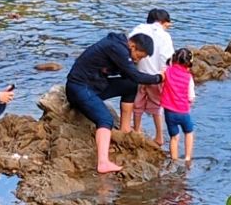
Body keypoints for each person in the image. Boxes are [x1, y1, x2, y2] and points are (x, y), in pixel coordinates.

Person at [65, 31, 163, 174]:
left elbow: (129, 76)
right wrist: (159, 78)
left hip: (95, 85)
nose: (137, 60)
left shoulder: (122, 49)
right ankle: (103, 162)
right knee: (105, 119)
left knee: (130, 85)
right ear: (132, 46)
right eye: (139, 56)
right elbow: (135, 75)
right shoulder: (116, 47)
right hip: (79, 88)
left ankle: (125, 128)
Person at [127, 9, 174, 144]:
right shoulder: (165, 36)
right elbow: (167, 58)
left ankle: (136, 129)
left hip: (138, 74)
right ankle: (159, 136)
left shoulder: (138, 29)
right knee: (156, 107)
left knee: (137, 104)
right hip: (157, 76)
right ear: (163, 22)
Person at [161, 49, 197, 165]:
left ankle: (174, 160)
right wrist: (190, 102)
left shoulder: (167, 71)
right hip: (183, 112)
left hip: (169, 112)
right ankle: (187, 158)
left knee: (174, 137)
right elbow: (191, 96)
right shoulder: (188, 77)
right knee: (189, 132)